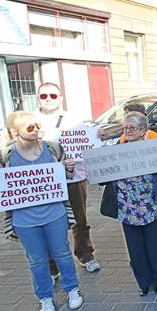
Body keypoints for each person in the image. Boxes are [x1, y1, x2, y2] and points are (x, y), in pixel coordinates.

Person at [0, 111, 83, 311]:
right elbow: (1, 188)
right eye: (29, 127)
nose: (35, 129)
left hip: (55, 214)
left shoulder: (53, 148)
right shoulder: (5, 156)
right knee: (36, 260)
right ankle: (45, 297)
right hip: (24, 220)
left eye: (36, 125)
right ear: (15, 132)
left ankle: (72, 288)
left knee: (62, 253)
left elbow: (67, 177)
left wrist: (69, 169)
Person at [35, 82, 101, 282]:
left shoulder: (73, 120)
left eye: (53, 96)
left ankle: (85, 254)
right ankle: (52, 267)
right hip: (45, 181)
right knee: (48, 224)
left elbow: (89, 143)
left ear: (60, 98)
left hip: (74, 178)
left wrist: (98, 137)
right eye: (44, 95)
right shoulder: (31, 121)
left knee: (79, 220)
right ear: (38, 98)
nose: (48, 99)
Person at [103, 112, 157, 296]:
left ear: (143, 130)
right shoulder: (117, 150)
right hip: (127, 206)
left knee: (154, 244)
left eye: (132, 128)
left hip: (150, 205)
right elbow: (102, 178)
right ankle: (143, 282)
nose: (128, 131)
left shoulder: (153, 149)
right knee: (135, 247)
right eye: (125, 128)